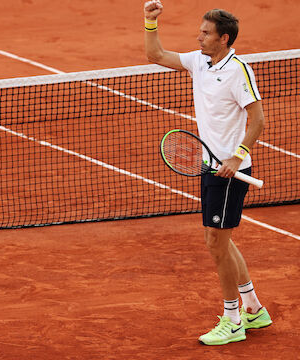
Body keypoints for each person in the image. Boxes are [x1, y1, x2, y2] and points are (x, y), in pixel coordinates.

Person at [143, 1, 271, 346]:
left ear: (224, 39)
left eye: (205, 33)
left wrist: (237, 155)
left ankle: (233, 320)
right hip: (209, 165)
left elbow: (257, 120)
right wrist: (150, 22)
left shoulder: (239, 71)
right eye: (200, 31)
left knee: (216, 242)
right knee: (218, 241)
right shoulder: (199, 62)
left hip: (229, 173)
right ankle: (254, 308)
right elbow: (155, 56)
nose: (198, 37)